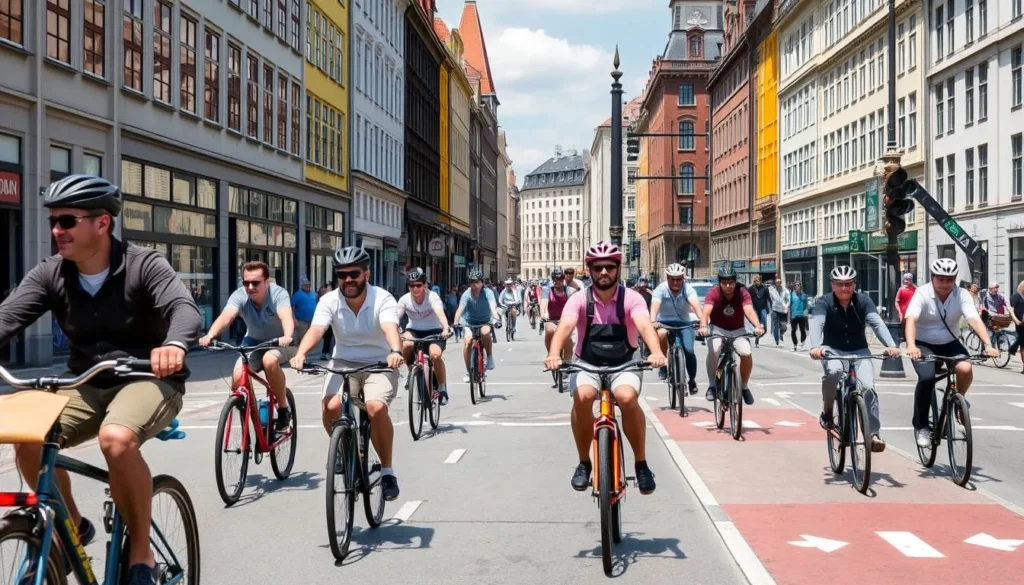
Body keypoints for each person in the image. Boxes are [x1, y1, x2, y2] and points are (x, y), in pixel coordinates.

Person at [0, 174, 201, 585]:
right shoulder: (51, 273)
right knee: (27, 434)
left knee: (116, 439)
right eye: (53, 221)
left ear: (102, 223)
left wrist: (175, 344)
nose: (57, 230)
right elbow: (6, 317)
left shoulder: (144, 265)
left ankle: (141, 554)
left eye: (67, 221)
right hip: (85, 381)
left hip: (149, 377)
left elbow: (184, 308)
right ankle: (72, 524)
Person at [543, 242, 667, 494]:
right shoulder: (578, 299)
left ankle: (641, 463)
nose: (603, 272)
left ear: (618, 269)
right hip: (587, 363)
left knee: (626, 396)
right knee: (583, 396)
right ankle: (584, 463)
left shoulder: (631, 298)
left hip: (625, 363)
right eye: (597, 267)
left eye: (609, 267)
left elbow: (644, 326)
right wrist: (554, 353)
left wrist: (656, 352)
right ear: (588, 270)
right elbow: (565, 327)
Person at [290, 246, 405, 500]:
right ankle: (343, 448)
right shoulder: (329, 300)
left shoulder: (383, 298)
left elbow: (389, 327)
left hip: (379, 363)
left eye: (354, 274)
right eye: (342, 275)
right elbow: (317, 330)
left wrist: (396, 350)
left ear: (367, 273)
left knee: (375, 407)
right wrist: (301, 353)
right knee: (330, 406)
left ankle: (387, 471)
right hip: (342, 361)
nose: (348, 280)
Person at [904, 258, 999, 448]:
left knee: (965, 367)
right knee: (927, 378)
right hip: (923, 344)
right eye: (941, 279)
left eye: (949, 279)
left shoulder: (962, 294)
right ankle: (921, 425)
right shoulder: (922, 293)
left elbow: (974, 319)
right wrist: (911, 345)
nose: (945, 284)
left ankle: (958, 402)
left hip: (950, 341)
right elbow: (911, 320)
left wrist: (988, 344)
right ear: (933, 278)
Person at [808, 266, 901, 452]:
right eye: (840, 284)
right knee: (833, 371)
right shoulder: (824, 302)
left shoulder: (863, 301)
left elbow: (877, 323)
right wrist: (815, 346)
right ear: (832, 285)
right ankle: (827, 412)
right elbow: (817, 323)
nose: (844, 288)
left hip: (859, 351)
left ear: (854, 285)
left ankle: (874, 434)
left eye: (848, 284)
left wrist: (891, 345)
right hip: (831, 349)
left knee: (867, 387)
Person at [200, 261, 296, 432]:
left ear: (267, 282)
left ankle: (282, 409)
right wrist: (210, 335)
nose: (250, 287)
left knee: (269, 360)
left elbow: (286, 316)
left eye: (256, 283)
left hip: (282, 342)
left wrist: (287, 335)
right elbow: (227, 316)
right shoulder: (240, 295)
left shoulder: (278, 294)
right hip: (253, 341)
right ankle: (245, 409)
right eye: (246, 283)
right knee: (238, 375)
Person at [698, 266, 765, 404]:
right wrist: (704, 326)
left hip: (738, 330)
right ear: (719, 282)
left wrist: (758, 326)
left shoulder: (742, 292)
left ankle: (744, 386)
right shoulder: (714, 293)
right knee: (715, 350)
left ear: (735, 282)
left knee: (746, 353)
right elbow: (706, 311)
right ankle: (712, 385)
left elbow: (749, 310)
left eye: (731, 283)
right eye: (724, 283)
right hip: (717, 329)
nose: (728, 286)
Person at [396, 268, 452, 404]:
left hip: (434, 330)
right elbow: (395, 317)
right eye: (411, 285)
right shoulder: (404, 300)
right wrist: (396, 329)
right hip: (414, 329)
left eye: (418, 285)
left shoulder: (432, 297)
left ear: (424, 285)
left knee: (435, 355)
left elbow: (440, 313)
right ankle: (411, 370)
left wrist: (445, 328)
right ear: (408, 286)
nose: (415, 288)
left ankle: (442, 388)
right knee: (406, 344)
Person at [650, 263, 701, 394]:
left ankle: (692, 380)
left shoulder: (688, 289)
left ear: (683, 278)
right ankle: (663, 365)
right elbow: (655, 305)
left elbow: (696, 306)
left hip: (684, 323)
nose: (675, 282)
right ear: (667, 278)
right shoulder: (660, 289)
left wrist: (703, 321)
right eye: (672, 279)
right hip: (664, 322)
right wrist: (653, 320)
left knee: (689, 350)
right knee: (661, 334)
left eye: (679, 279)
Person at [451, 270, 502, 381]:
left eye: (477, 282)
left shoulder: (488, 292)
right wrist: (455, 322)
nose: (475, 285)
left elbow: (493, 306)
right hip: (469, 322)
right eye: (472, 282)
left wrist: (497, 318)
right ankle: (469, 372)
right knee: (468, 342)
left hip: (485, 321)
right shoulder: (467, 293)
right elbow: (460, 309)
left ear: (482, 282)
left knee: (485, 333)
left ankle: (489, 357)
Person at [541, 268, 578, 374]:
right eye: (555, 278)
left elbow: (575, 305)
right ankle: (550, 355)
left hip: (565, 319)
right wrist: (543, 314)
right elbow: (543, 303)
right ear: (552, 279)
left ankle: (567, 362)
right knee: (549, 330)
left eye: (560, 278)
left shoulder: (569, 291)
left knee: (567, 338)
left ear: (563, 279)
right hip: (552, 319)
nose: (558, 281)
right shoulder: (547, 290)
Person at [291, 276, 318, 341]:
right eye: (306, 285)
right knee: (302, 338)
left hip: (312, 321)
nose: (308, 286)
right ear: (302, 286)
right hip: (301, 321)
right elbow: (292, 306)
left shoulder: (313, 293)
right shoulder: (298, 294)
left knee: (310, 339)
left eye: (308, 284)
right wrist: (294, 319)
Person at [749, 274, 771, 348]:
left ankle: (757, 336)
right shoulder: (751, 288)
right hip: (755, 309)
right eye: (755, 280)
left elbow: (768, 298)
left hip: (763, 308)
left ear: (760, 280)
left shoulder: (765, 288)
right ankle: (756, 341)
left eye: (758, 280)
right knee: (757, 325)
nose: (757, 282)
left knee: (764, 328)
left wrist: (771, 307)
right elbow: (748, 299)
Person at [789, 282, 810, 351]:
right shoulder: (791, 295)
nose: (797, 286)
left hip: (802, 315)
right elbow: (789, 305)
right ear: (794, 287)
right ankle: (795, 345)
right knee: (793, 331)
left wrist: (806, 314)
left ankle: (802, 344)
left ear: (800, 286)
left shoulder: (804, 295)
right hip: (794, 315)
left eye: (798, 285)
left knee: (802, 330)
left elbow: (806, 305)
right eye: (795, 285)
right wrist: (789, 315)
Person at [768, 279, 790, 346]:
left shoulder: (785, 290)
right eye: (777, 283)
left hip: (783, 311)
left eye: (779, 282)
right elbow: (771, 300)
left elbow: (788, 300)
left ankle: (781, 333)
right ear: (775, 284)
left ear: (781, 283)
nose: (778, 284)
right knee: (776, 326)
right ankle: (777, 341)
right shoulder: (772, 291)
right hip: (775, 310)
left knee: (784, 327)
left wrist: (786, 306)